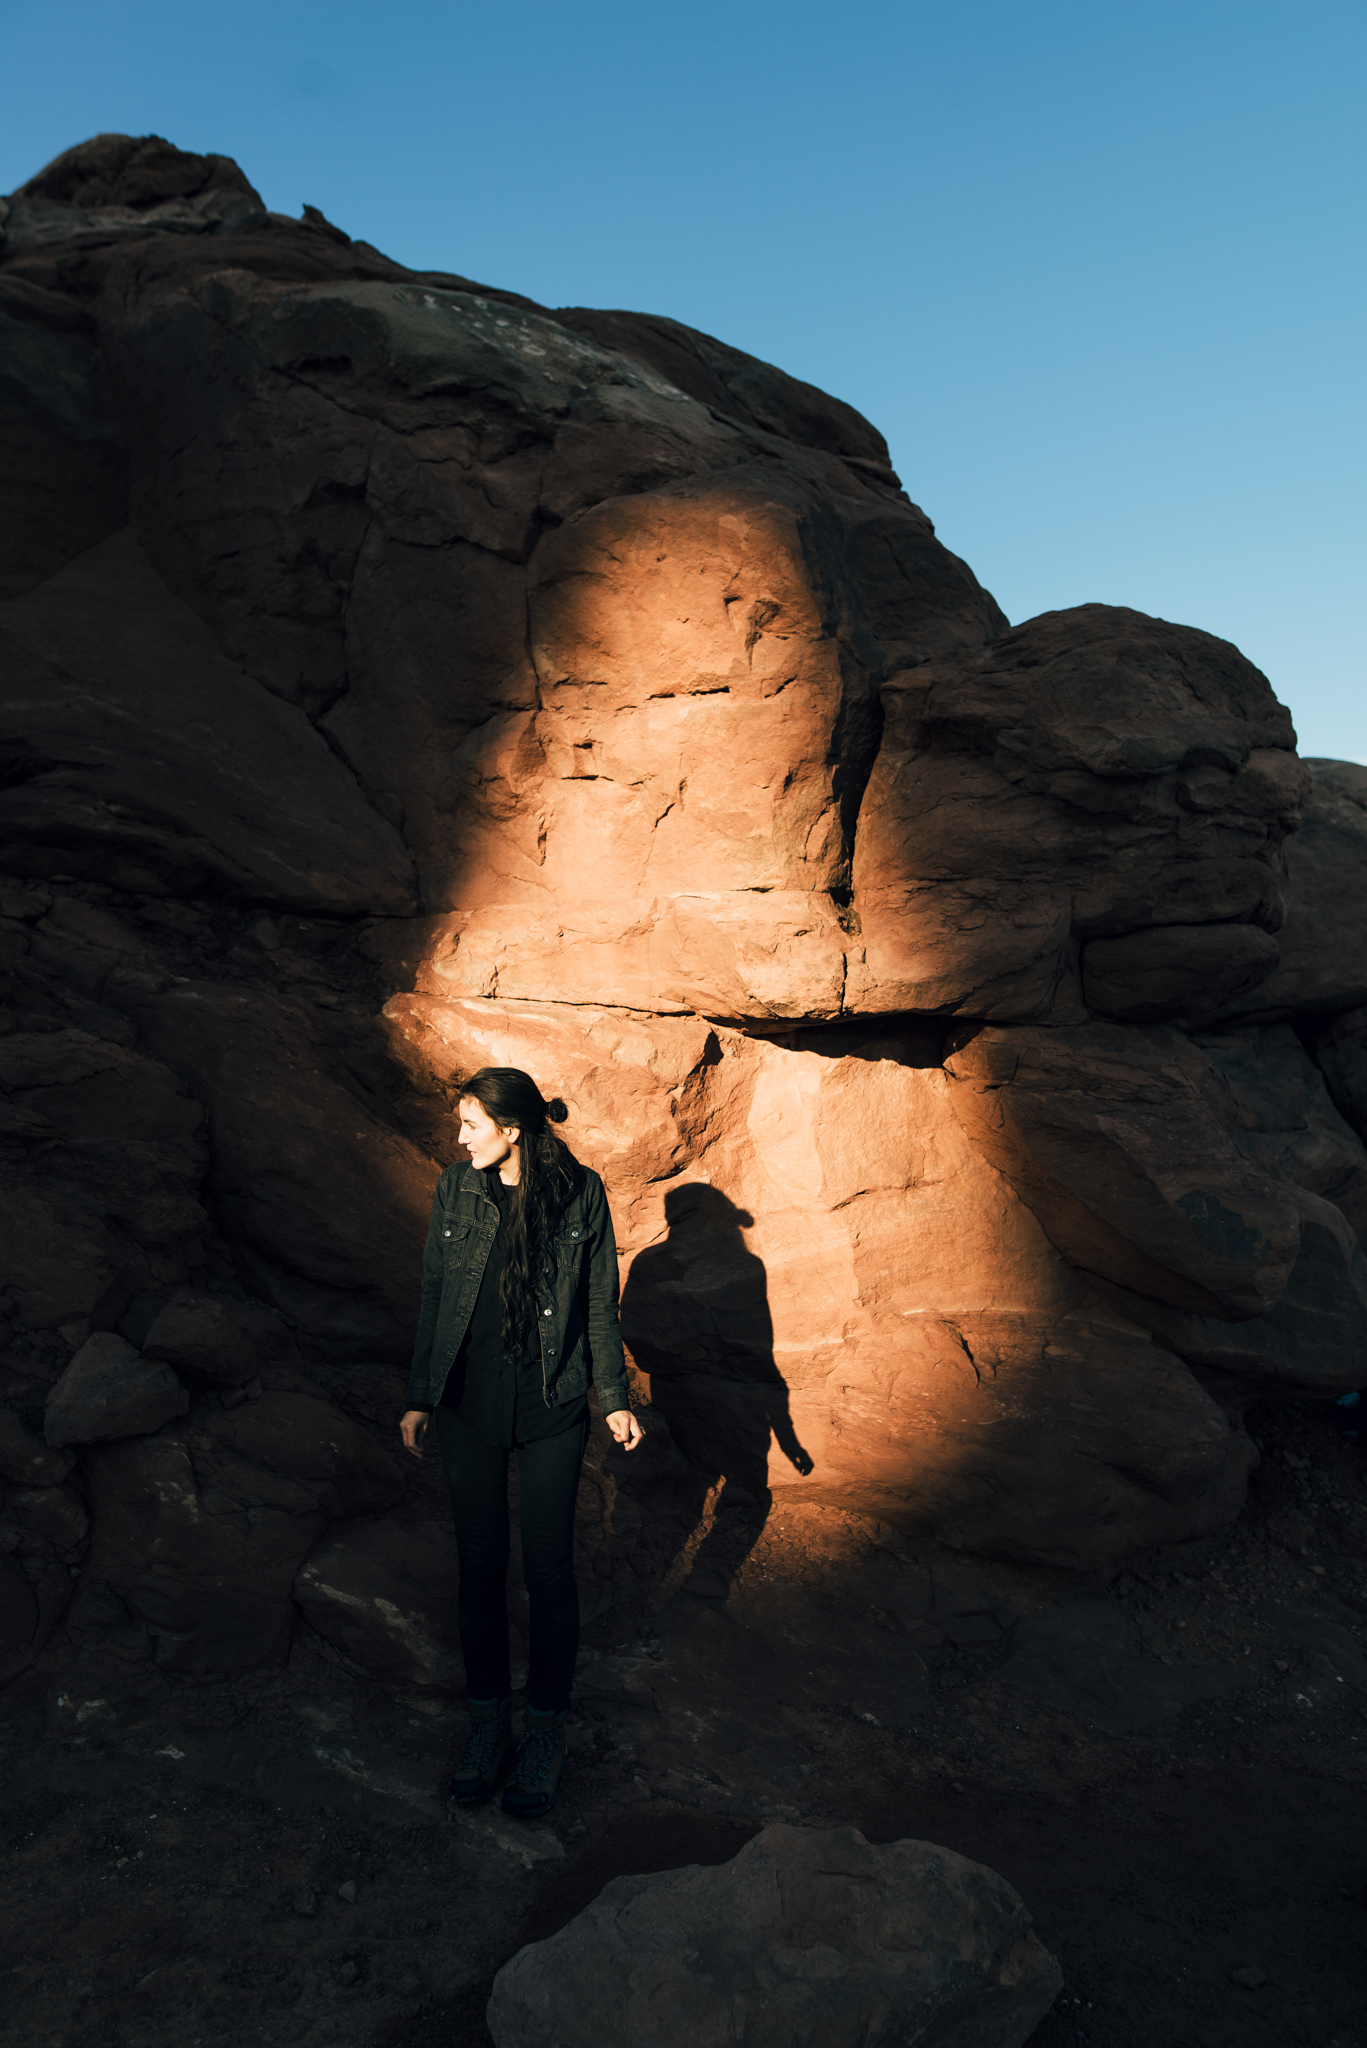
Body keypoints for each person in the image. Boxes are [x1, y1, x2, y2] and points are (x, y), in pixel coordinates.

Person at [400, 1068, 642, 1820]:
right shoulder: (454, 1189)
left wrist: (613, 1400)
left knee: (547, 1573)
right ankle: (485, 1728)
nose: (459, 1136)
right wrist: (420, 1396)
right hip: (470, 1406)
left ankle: (544, 1733)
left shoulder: (580, 1191)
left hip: (552, 1406)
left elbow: (599, 1303)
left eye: (471, 1124)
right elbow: (436, 1293)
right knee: (478, 1569)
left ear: (512, 1130)